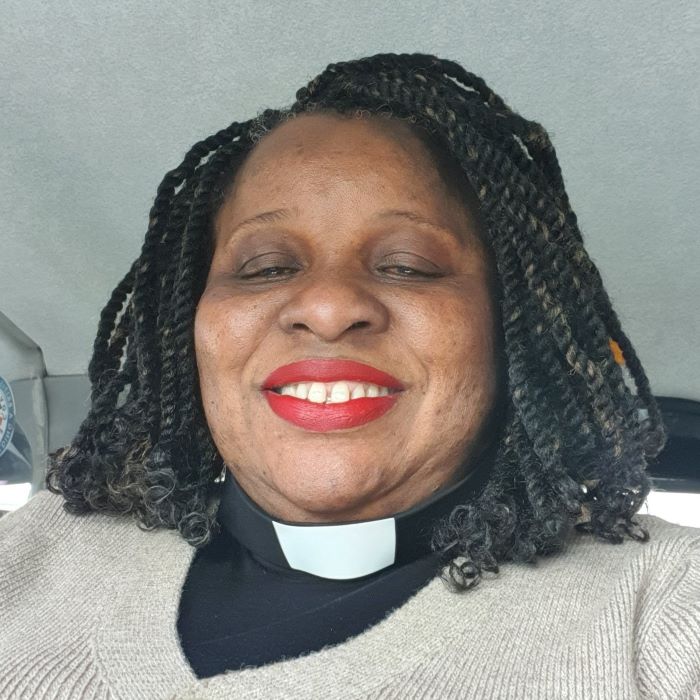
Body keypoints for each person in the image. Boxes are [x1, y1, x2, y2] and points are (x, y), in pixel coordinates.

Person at [0, 52, 698, 699]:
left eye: (408, 266)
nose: (328, 307)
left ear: (513, 328)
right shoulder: (31, 556)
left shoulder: (662, 608)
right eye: (267, 267)